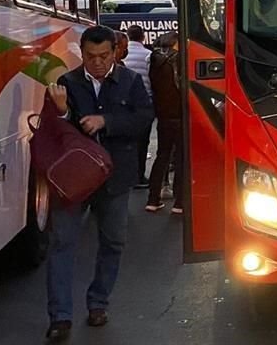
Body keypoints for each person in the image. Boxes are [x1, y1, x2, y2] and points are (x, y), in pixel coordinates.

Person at [44, 25, 153, 341]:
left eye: (104, 56)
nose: (98, 62)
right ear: (82, 53)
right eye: (91, 56)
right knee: (62, 243)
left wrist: (107, 121)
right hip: (74, 180)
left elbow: (144, 118)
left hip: (115, 177)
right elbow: (54, 131)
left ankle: (98, 303)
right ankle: (60, 317)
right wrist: (62, 112)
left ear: (115, 52)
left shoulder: (130, 81)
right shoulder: (67, 83)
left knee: (113, 242)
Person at [145, 31, 183, 214]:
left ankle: (153, 199)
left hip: (163, 116)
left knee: (162, 156)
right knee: (181, 158)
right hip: (180, 115)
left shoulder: (155, 61)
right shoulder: (178, 60)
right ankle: (180, 202)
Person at [124, 25, 153, 188]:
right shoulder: (148, 55)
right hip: (143, 103)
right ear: (143, 37)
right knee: (142, 142)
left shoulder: (123, 54)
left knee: (127, 142)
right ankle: (139, 176)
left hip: (124, 104)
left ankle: (126, 175)